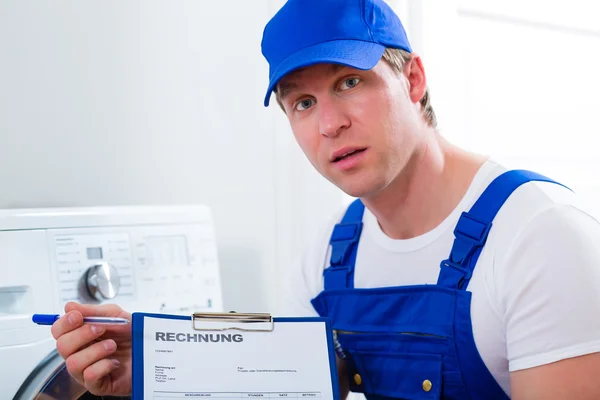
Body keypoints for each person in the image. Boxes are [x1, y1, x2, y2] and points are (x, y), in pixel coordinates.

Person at [50, 0, 600, 398]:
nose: (330, 125)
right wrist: (146, 365)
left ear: (412, 79)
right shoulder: (330, 255)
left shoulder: (542, 237)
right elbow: (264, 376)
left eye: (348, 83)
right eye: (304, 102)